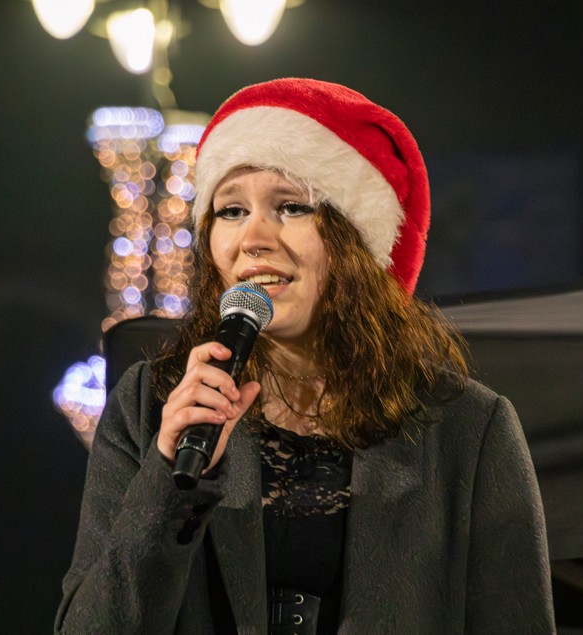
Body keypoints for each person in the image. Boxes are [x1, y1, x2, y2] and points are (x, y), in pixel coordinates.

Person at [55, 78, 555, 634]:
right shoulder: (150, 406)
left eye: (291, 207)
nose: (253, 237)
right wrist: (168, 478)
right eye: (230, 211)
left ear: (356, 241)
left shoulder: (468, 428)